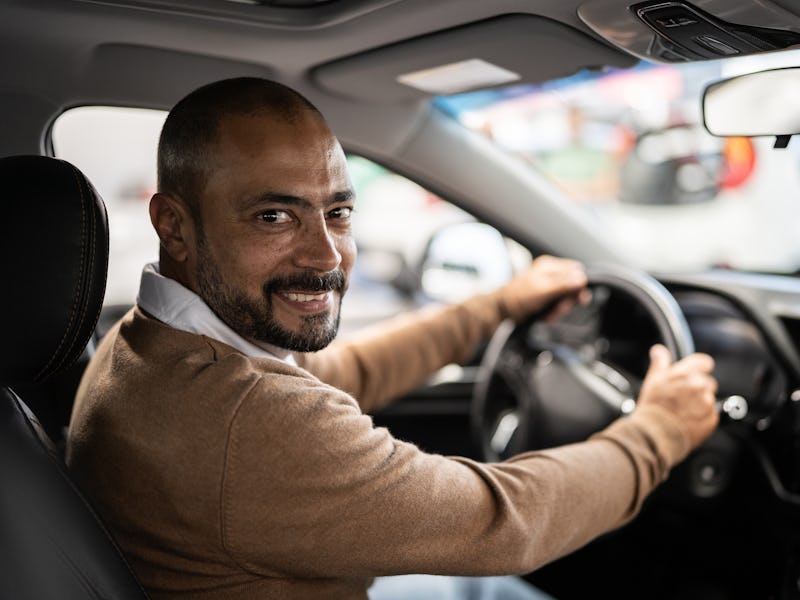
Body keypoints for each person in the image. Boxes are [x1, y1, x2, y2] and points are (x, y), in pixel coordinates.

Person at [66, 77, 718, 600]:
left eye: (338, 212)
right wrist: (656, 433)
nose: (327, 256)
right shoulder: (244, 421)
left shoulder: (145, 344)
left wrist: (491, 309)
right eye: (274, 215)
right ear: (174, 227)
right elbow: (506, 521)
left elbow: (340, 376)